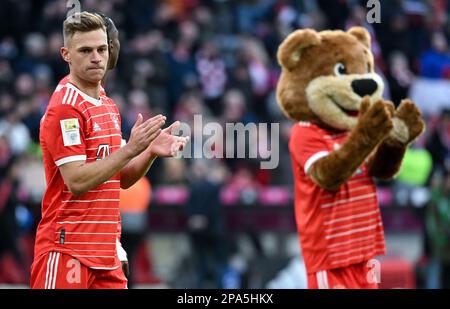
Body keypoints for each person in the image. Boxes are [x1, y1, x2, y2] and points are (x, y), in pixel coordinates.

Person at [30, 12, 188, 289]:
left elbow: (121, 178)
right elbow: (77, 181)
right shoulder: (65, 107)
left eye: (102, 49)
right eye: (86, 50)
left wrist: (148, 152)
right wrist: (131, 149)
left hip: (106, 253)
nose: (96, 57)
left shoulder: (107, 105)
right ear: (66, 54)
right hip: (69, 251)